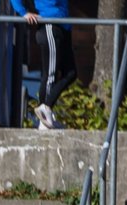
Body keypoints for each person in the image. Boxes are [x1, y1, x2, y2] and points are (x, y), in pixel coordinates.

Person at [10, 0, 77, 129]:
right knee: (50, 74)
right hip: (50, 26)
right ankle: (45, 115)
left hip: (64, 27)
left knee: (71, 73)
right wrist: (24, 13)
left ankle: (45, 110)